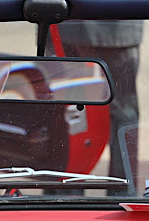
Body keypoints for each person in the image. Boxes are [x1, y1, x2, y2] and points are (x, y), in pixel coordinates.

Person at [57, 20, 143, 184]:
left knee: (69, 109)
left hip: (64, 22)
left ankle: (66, 195)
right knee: (123, 111)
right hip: (113, 25)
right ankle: (121, 195)